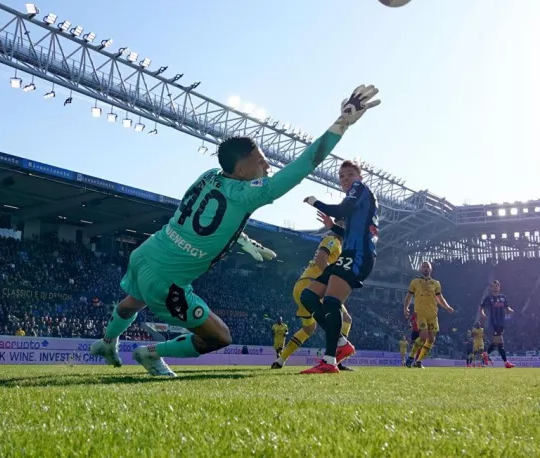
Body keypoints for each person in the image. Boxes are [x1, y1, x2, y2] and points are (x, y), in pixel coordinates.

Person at [89, 85, 381, 377]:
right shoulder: (248, 193)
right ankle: (149, 353)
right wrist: (341, 124)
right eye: (259, 161)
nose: (267, 164)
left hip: (148, 252)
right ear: (241, 172)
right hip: (167, 281)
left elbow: (202, 220)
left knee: (132, 301)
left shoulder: (208, 176)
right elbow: (304, 164)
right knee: (219, 337)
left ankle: (107, 341)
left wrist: (245, 242)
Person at [297, 159, 380, 374]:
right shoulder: (360, 200)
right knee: (308, 296)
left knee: (332, 302)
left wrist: (315, 202)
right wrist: (333, 227)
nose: (345, 179)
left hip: (359, 255)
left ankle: (330, 360)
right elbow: (351, 231)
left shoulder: (359, 189)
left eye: (350, 174)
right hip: (349, 254)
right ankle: (342, 344)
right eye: (342, 176)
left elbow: (343, 209)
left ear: (360, 177)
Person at [271, 219, 342, 370]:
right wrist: (333, 280)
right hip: (313, 286)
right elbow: (320, 260)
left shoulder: (337, 246)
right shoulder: (332, 240)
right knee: (345, 318)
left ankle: (280, 360)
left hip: (302, 286)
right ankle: (336, 360)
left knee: (309, 329)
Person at [403, 261, 455, 369]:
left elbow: (440, 298)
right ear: (420, 269)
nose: (425, 268)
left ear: (431, 270)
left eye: (427, 267)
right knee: (423, 336)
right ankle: (411, 357)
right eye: (424, 267)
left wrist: (447, 307)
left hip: (432, 314)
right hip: (421, 313)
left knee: (431, 339)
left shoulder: (436, 283)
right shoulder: (415, 282)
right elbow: (408, 296)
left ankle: (419, 361)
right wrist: (406, 307)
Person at [480, 280, 515, 369]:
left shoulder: (503, 297)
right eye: (494, 286)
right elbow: (481, 307)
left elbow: (506, 307)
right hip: (494, 322)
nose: (495, 287)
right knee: (500, 342)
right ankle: (506, 362)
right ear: (491, 288)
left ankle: (485, 355)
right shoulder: (489, 298)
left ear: (499, 287)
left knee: (497, 343)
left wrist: (510, 310)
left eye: (497, 286)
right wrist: (483, 314)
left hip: (501, 322)